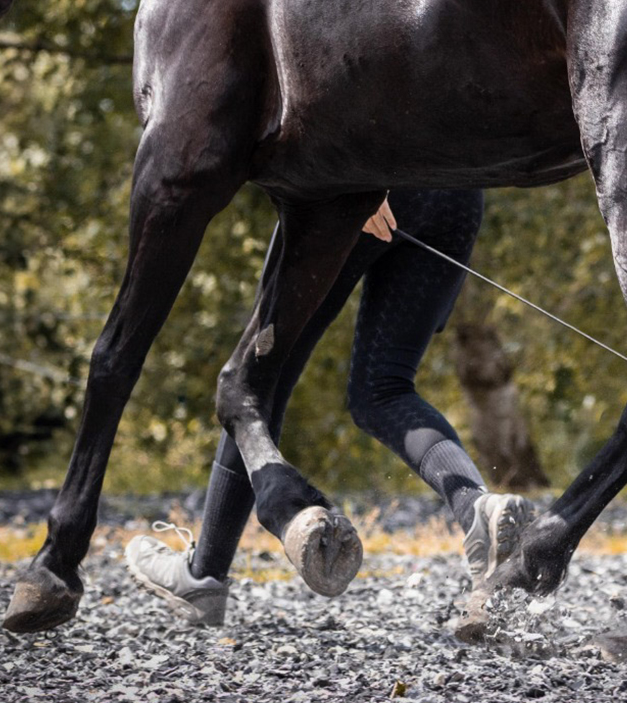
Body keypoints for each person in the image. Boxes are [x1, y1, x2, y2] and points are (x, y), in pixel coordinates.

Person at [123, 188, 535, 626]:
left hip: (354, 184)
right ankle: (477, 509)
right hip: (455, 194)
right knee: (384, 388)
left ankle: (203, 575)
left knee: (261, 383)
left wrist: (367, 174)